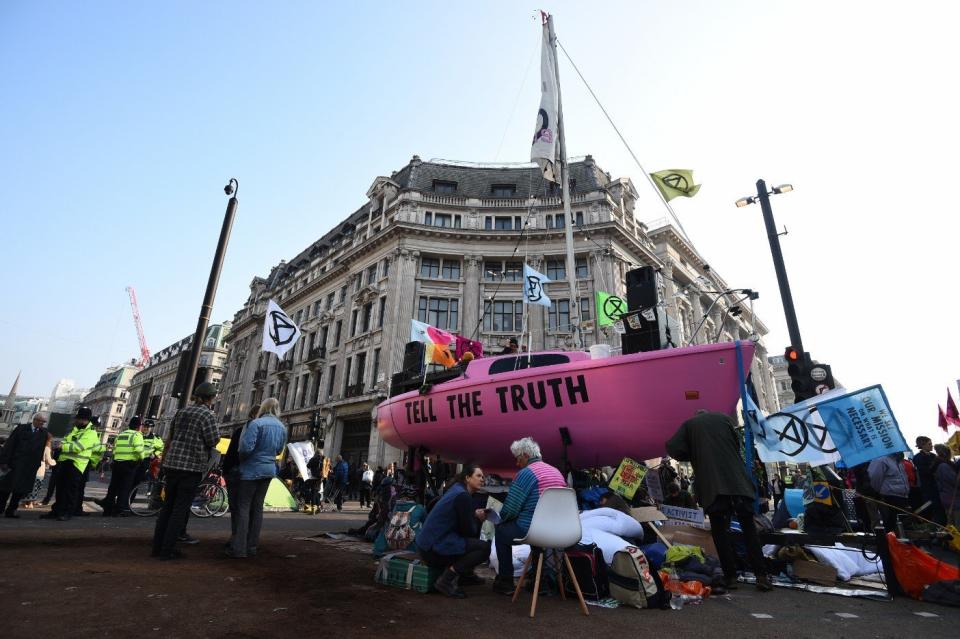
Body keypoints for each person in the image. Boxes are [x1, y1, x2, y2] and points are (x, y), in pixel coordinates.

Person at [666, 410, 772, 591]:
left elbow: (672, 447)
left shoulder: (689, 424)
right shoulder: (724, 419)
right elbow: (736, 443)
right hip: (738, 483)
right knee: (749, 529)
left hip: (713, 486)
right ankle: (761, 575)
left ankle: (731, 577)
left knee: (720, 532)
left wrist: (693, 453)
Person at [150, 383, 220, 560]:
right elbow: (213, 440)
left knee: (168, 507)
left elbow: (170, 437)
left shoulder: (181, 412)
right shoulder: (207, 415)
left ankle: (157, 547)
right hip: (191, 466)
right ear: (210, 398)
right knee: (180, 509)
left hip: (173, 464)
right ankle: (168, 549)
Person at [492, 437, 566, 595]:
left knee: (501, 531)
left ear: (526, 455)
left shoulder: (526, 474)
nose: (517, 464)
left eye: (518, 459)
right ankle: (541, 581)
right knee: (536, 531)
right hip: (559, 530)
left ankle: (505, 581)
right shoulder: (557, 472)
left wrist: (499, 518)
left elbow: (510, 510)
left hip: (534, 530)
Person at [226, 398, 287, 559]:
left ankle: (239, 548)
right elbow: (279, 450)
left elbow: (245, 448)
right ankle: (252, 546)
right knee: (258, 508)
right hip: (268, 470)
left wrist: (243, 460)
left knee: (243, 507)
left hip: (251, 470)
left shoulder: (256, 424)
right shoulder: (282, 427)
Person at [417, 464, 491, 598]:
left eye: (483, 477)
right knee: (484, 549)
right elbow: (468, 532)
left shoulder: (457, 490)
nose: (482, 479)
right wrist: (478, 519)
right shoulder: (463, 496)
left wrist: (472, 515)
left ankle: (465, 575)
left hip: (427, 545)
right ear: (468, 478)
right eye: (478, 476)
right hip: (434, 549)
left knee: (472, 544)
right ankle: (446, 580)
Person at [41, 407, 99, 521]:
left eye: (79, 419)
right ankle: (56, 511)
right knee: (60, 489)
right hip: (65, 462)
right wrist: (63, 445)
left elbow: (78, 447)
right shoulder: (75, 430)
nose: (77, 421)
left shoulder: (91, 433)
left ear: (86, 420)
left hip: (77, 464)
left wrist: (63, 446)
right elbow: (66, 441)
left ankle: (67, 512)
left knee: (70, 490)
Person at [0, 412, 51, 518]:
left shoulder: (44, 433)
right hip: (15, 464)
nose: (42, 423)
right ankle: (0, 508)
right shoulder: (21, 429)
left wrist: (38, 464)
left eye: (43, 422)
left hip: (29, 467)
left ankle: (11, 511)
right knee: (5, 489)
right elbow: (10, 445)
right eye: (40, 421)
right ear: (35, 420)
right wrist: (4, 461)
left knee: (19, 491)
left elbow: (44, 448)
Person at [97, 416, 144, 516]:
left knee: (113, 486)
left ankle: (108, 508)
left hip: (117, 463)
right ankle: (120, 509)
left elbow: (114, 449)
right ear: (139, 426)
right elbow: (139, 450)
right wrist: (141, 458)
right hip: (129, 464)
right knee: (125, 487)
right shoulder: (137, 435)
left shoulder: (121, 434)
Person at [223, 406, 258, 539]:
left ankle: (237, 538)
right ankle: (244, 539)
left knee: (238, 507)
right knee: (245, 508)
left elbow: (231, 453)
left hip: (234, 471)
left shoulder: (240, 430)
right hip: (241, 471)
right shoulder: (253, 431)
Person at [867, 452, 910, 536]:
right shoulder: (881, 460)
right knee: (891, 524)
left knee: (900, 524)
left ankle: (899, 543)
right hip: (889, 496)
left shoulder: (898, 460)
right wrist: (879, 492)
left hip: (902, 496)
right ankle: (891, 544)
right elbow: (874, 479)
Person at [912, 436, 946, 524]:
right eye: (929, 444)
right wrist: (936, 463)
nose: (932, 446)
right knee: (935, 510)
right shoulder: (918, 457)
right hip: (929, 488)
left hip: (938, 487)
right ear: (922, 445)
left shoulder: (933, 456)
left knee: (941, 509)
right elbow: (925, 471)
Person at [933, 444, 959, 527]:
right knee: (956, 526)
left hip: (949, 499)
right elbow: (955, 482)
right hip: (953, 500)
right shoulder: (944, 466)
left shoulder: (942, 465)